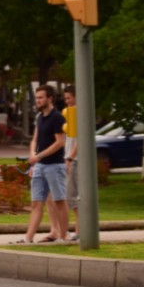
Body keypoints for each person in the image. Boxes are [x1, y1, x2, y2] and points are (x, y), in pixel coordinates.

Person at [16, 83, 69, 244]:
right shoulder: (40, 118)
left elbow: (60, 142)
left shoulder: (57, 117)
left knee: (59, 200)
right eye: (36, 97)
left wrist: (39, 156)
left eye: (41, 97)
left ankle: (63, 236)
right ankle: (28, 238)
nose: (37, 100)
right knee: (35, 202)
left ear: (49, 98)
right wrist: (33, 155)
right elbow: (35, 140)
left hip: (54, 165)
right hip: (39, 166)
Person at [61, 83, 79, 242]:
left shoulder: (78, 114)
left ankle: (78, 231)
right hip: (70, 158)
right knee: (71, 197)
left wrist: (69, 158)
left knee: (73, 196)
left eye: (68, 98)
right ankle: (77, 230)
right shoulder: (70, 114)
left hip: (75, 161)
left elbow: (80, 141)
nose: (66, 101)